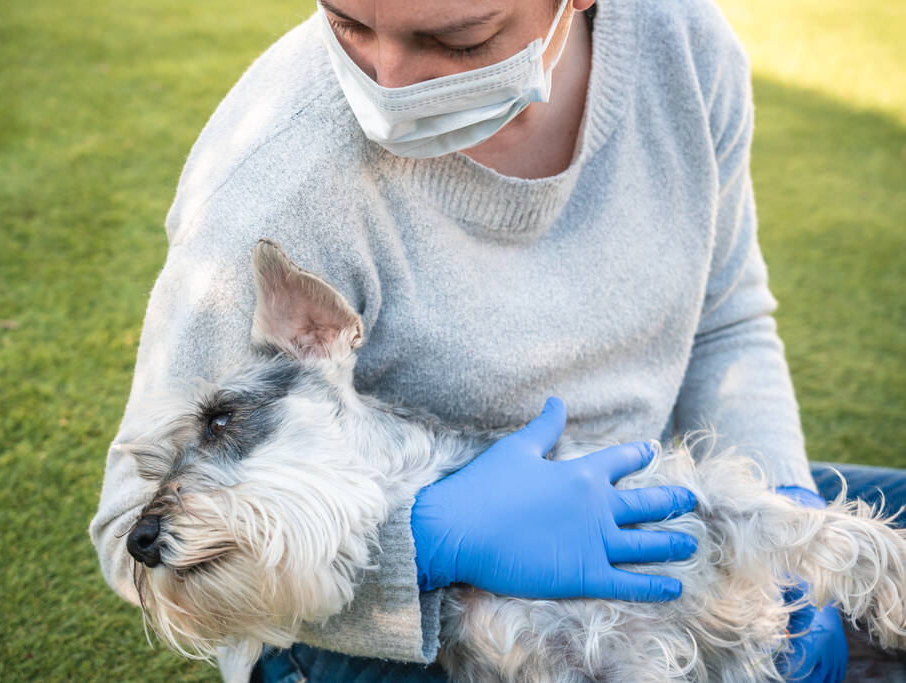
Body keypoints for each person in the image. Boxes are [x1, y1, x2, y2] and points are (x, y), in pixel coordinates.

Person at [89, 0, 904, 681]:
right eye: (348, 22)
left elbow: (725, 317)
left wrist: (793, 511)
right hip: (369, 622)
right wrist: (427, 545)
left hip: (628, 498)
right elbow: (134, 525)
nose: (388, 83)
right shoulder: (274, 184)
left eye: (459, 37)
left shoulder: (683, 51)